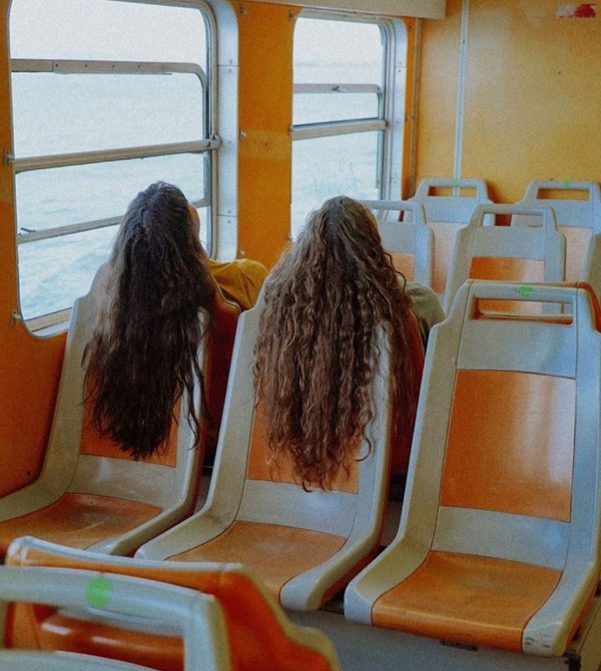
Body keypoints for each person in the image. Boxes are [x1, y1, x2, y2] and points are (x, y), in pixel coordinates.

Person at [253, 195, 444, 490]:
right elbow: (440, 393)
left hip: (303, 466)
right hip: (399, 475)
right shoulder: (419, 306)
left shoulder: (279, 312)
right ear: (374, 250)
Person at [84, 181, 267, 459]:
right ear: (193, 241)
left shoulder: (111, 308)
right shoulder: (246, 280)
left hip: (161, 447)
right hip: (227, 443)